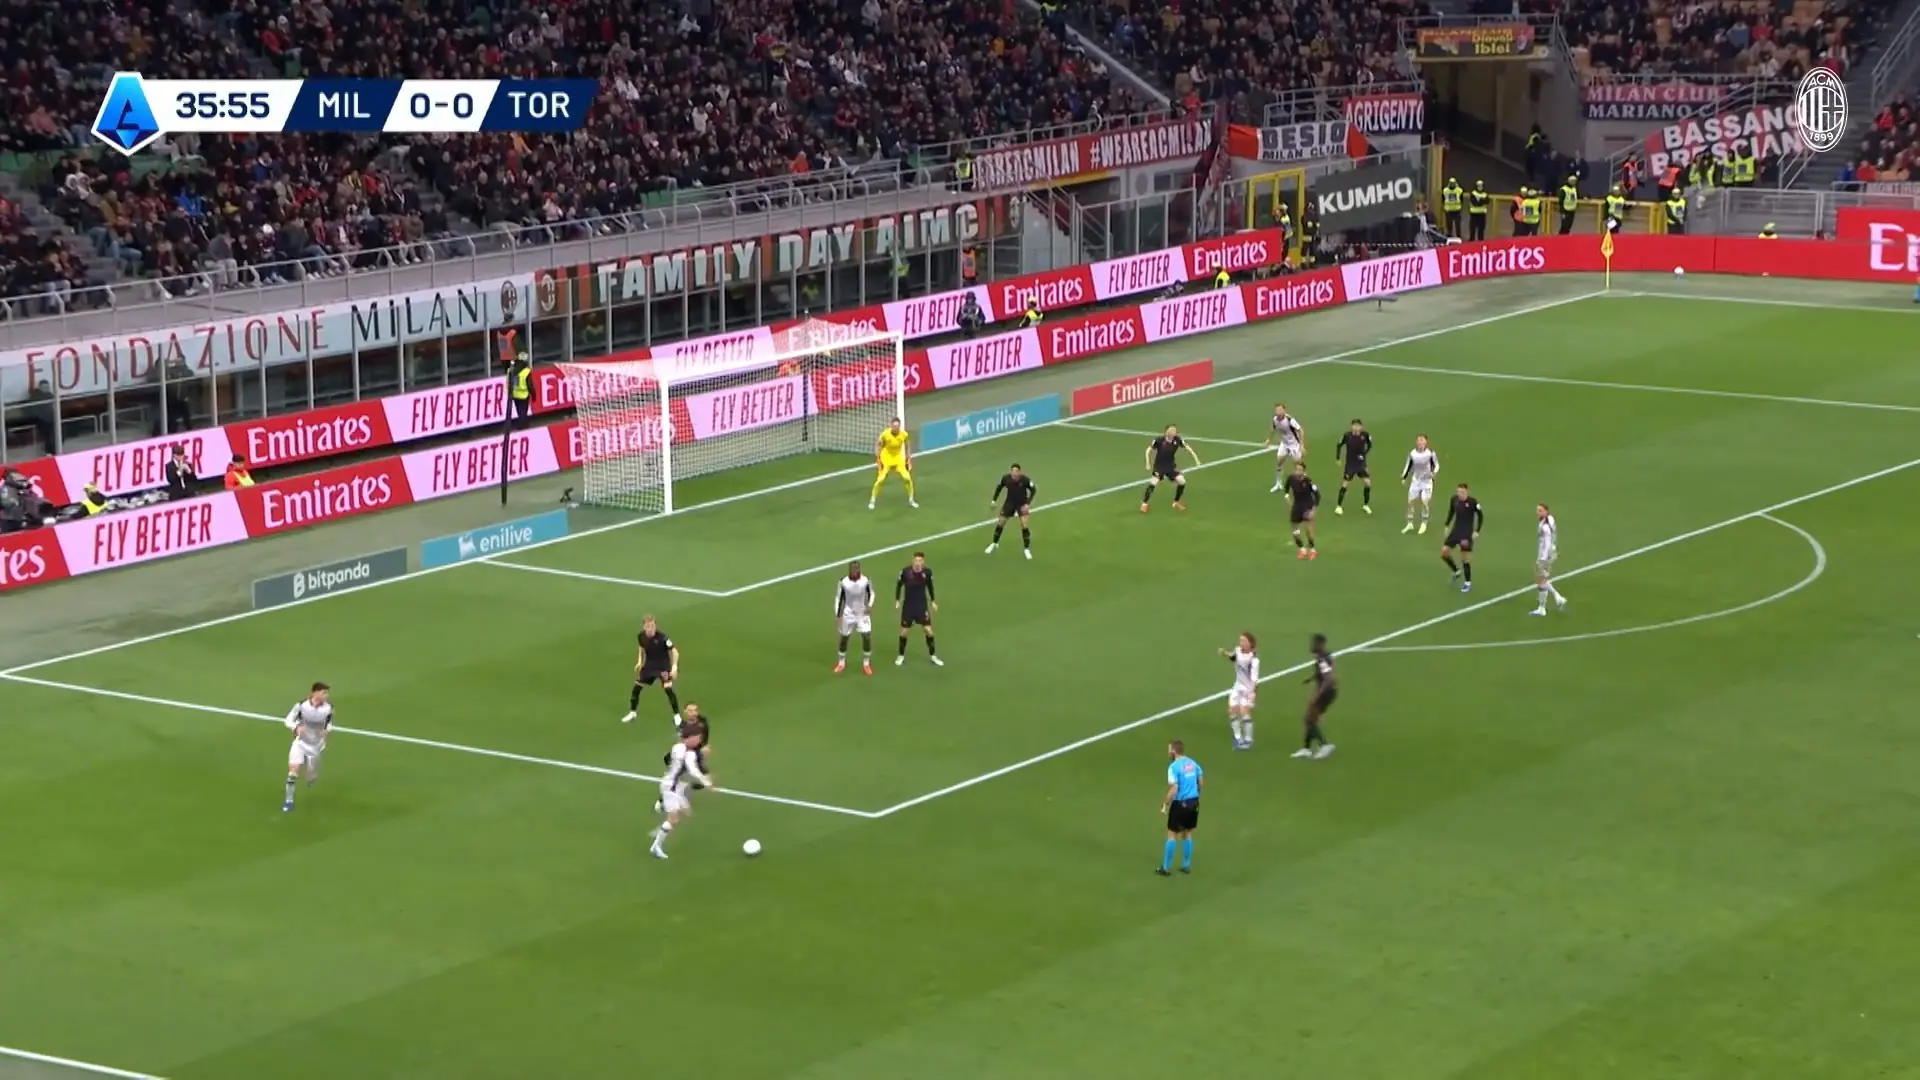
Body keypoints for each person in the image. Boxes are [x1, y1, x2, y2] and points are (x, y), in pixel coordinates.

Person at [650, 721, 713, 860]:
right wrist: (706, 782)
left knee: (686, 813)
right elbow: (693, 769)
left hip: (675, 785)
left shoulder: (678, 747)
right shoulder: (689, 753)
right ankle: (656, 846)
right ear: (690, 737)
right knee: (674, 818)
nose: (699, 741)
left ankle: (662, 825)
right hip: (671, 788)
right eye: (697, 738)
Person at [282, 681, 332, 813]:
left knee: (310, 779)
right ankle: (288, 801)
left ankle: (311, 774)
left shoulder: (328, 709)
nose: (326, 696)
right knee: (292, 775)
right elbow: (288, 720)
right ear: (315, 693)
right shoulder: (301, 706)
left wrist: (325, 734)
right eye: (324, 693)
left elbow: (328, 725)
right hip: (300, 744)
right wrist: (296, 727)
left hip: (315, 747)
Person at [621, 616, 680, 724]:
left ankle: (677, 715)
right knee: (636, 688)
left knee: (668, 690)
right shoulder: (641, 636)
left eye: (653, 626)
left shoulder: (663, 638)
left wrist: (674, 666)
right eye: (648, 626)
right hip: (649, 666)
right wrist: (640, 661)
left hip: (663, 666)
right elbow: (641, 648)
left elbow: (675, 651)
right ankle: (632, 713)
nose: (651, 628)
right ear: (644, 627)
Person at [1157, 739, 1203, 876]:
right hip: (1194, 802)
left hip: (1180, 804)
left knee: (1172, 834)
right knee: (1187, 833)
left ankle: (1165, 867)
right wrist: (1196, 794)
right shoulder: (1193, 763)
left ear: (1173, 751)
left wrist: (1165, 804)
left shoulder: (1173, 767)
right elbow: (1200, 781)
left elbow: (1174, 788)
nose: (1168, 753)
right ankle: (1186, 865)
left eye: (1169, 750)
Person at [1293, 634, 1337, 760]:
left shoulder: (1321, 659)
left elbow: (1329, 679)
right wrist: (1311, 678)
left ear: (1320, 644)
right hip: (1329, 691)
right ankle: (1306, 749)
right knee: (1309, 718)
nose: (1310, 645)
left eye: (1313, 643)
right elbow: (1324, 671)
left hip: (1326, 692)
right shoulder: (1323, 656)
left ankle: (1324, 746)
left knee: (1309, 719)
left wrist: (1317, 695)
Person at [895, 552, 942, 666]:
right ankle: (901, 655)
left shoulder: (927, 573)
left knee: (928, 631)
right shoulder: (905, 572)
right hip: (908, 606)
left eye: (920, 561)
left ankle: (933, 656)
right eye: (916, 560)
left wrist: (933, 601)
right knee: (904, 632)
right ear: (912, 561)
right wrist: (897, 600)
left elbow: (930, 586)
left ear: (923, 562)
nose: (918, 563)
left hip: (921, 605)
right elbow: (899, 585)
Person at [1141, 425, 1202, 513]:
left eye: (1174, 431)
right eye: (1171, 430)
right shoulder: (1159, 440)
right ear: (1166, 431)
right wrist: (1148, 463)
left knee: (1182, 482)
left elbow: (1188, 449)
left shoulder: (1177, 440)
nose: (1173, 432)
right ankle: (1144, 504)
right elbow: (1148, 450)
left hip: (1170, 466)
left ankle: (1176, 502)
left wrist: (1196, 459)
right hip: (1159, 466)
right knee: (1153, 483)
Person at [1218, 632, 1260, 750]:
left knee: (1244, 713)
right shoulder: (1237, 651)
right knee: (1232, 711)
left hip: (1248, 690)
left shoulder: (1253, 660)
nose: (1241, 643)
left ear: (1250, 643)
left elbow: (1255, 679)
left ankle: (1248, 740)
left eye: (1244, 641)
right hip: (1237, 687)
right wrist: (1224, 653)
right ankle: (1238, 738)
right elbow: (1233, 658)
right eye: (1240, 640)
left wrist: (1253, 693)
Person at [833, 560, 876, 675]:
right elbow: (838, 598)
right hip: (848, 614)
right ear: (849, 570)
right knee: (844, 638)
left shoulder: (865, 580)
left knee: (866, 637)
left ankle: (866, 664)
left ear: (859, 569)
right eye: (852, 569)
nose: (854, 571)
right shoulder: (843, 582)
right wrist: (838, 615)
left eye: (856, 569)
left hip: (862, 613)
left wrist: (869, 606)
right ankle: (841, 662)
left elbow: (872, 594)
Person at [985, 463, 1036, 558]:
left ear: (1019, 472)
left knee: (1024, 525)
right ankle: (994, 543)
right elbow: (999, 487)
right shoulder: (1006, 479)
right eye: (1013, 471)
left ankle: (1026, 549)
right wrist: (994, 500)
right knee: (1001, 523)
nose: (1014, 473)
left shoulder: (1025, 480)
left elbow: (1033, 490)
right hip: (1009, 503)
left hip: (1021, 504)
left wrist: (1027, 504)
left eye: (1016, 471)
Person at [1441, 482, 1484, 592]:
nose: (1460, 494)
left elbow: (1481, 516)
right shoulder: (1454, 500)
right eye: (1458, 492)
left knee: (1465, 558)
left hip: (1466, 533)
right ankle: (1456, 571)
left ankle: (1467, 582)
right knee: (1444, 552)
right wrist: (1446, 525)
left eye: (1462, 492)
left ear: (1466, 492)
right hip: (1456, 531)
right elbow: (1451, 512)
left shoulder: (1473, 502)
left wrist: (1477, 531)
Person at [869, 417, 917, 510]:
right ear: (891, 425)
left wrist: (909, 459)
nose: (896, 428)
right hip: (886, 458)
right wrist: (878, 459)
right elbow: (878, 445)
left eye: (897, 426)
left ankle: (911, 500)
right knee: (880, 480)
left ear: (899, 426)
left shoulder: (904, 435)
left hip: (897, 458)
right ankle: (872, 500)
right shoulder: (885, 434)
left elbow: (907, 446)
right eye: (894, 426)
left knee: (907, 478)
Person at [1531, 503, 1568, 616]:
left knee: (1540, 580)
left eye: (1540, 510)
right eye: (1537, 510)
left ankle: (1558, 597)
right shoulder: (1550, 519)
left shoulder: (1545, 527)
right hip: (1551, 552)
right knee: (1541, 581)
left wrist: (1543, 558)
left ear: (1546, 511)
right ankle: (1542, 608)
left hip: (1546, 555)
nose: (1538, 512)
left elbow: (1547, 543)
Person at [1400, 434, 1440, 534]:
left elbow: (1436, 465)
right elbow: (1408, 465)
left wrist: (1433, 473)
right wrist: (1404, 477)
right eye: (1419, 440)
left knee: (1424, 502)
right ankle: (1410, 523)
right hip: (1416, 480)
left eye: (1422, 440)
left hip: (1427, 481)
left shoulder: (1430, 453)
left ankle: (1424, 523)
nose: (1420, 442)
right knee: (1410, 502)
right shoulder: (1412, 453)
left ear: (1426, 442)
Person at [1263, 403, 1304, 494]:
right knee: (1279, 462)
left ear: (1284, 411)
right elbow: (1273, 429)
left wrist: (1301, 445)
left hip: (1294, 444)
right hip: (1284, 444)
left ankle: (1301, 484)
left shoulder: (1290, 420)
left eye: (1280, 410)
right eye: (1277, 410)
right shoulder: (1275, 420)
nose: (1278, 412)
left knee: (1298, 465)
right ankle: (1278, 484)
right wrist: (1268, 439)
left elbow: (1300, 430)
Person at [1333, 419, 1372, 515]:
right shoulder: (1347, 436)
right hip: (1350, 464)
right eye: (1354, 425)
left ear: (1361, 427)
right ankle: (1338, 506)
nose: (1356, 427)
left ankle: (1366, 505)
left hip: (1361, 464)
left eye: (1358, 426)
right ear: (1351, 427)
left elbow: (1370, 445)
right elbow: (1339, 445)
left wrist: (1364, 454)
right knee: (1345, 484)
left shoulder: (1365, 435)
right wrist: (1338, 458)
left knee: (1367, 483)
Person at [1282, 463, 1320, 559]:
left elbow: (1318, 495)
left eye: (1300, 470)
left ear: (1304, 471)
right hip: (1297, 506)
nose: (1298, 472)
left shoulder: (1308, 481)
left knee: (1308, 531)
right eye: (1296, 470)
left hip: (1307, 507)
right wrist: (1287, 497)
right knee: (1295, 531)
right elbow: (1286, 489)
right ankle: (1302, 549)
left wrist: (1313, 510)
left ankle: (1312, 550)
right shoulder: (1291, 478)